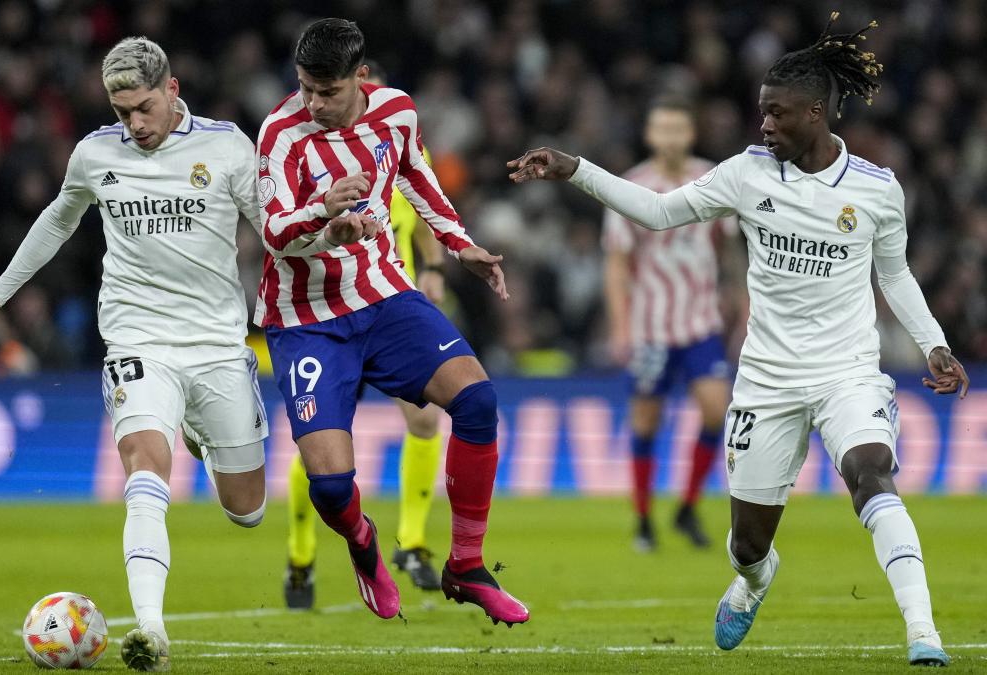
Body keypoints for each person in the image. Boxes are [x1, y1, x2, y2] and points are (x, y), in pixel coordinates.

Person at [507, 12, 969, 666]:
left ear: (816, 113)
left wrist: (933, 343)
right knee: (747, 543)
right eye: (762, 113)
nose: (765, 125)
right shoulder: (746, 175)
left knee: (872, 473)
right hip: (765, 379)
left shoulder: (876, 190)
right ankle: (754, 580)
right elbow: (660, 212)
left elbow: (893, 272)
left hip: (847, 372)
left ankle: (924, 633)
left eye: (777, 115)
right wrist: (574, 167)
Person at [0, 37, 270, 672]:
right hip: (137, 336)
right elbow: (58, 220)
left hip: (215, 342)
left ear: (173, 89)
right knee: (144, 469)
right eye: (123, 112)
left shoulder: (229, 147)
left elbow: (273, 229)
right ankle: (150, 628)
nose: (135, 124)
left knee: (248, 511)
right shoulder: (96, 154)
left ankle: (205, 433)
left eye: (144, 107)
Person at [256, 18, 527, 626]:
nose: (314, 104)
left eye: (328, 92)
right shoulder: (280, 133)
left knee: (478, 401)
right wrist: (324, 217)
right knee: (329, 487)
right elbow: (273, 233)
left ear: (363, 77)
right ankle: (363, 544)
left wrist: (462, 245)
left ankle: (466, 565)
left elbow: (417, 178)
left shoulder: (397, 112)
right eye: (305, 89)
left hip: (382, 295)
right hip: (307, 318)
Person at [283, 62, 449, 609]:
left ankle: (414, 543)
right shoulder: (315, 161)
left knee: (425, 418)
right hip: (329, 317)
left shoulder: (393, 160)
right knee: (323, 449)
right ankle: (301, 555)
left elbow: (424, 217)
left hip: (387, 313)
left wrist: (433, 270)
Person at [601, 97, 736, 552]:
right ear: (650, 135)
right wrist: (621, 328)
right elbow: (617, 263)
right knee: (646, 423)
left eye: (679, 129)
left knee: (718, 410)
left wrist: (744, 303)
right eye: (663, 129)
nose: (671, 138)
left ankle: (687, 506)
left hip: (702, 322)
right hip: (651, 327)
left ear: (691, 133)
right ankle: (642, 517)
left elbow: (731, 248)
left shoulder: (716, 179)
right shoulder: (632, 186)